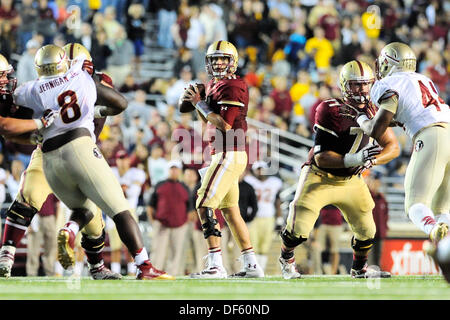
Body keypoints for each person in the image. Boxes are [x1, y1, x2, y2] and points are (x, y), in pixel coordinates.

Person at [11, 44, 173, 280]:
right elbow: (120, 103)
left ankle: (70, 229)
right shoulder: (84, 77)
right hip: (80, 148)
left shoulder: (34, 88)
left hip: (48, 159)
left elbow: (13, 106)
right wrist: (96, 110)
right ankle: (145, 266)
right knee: (119, 209)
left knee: (84, 209)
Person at [0, 44, 122, 280]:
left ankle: (96, 267)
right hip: (55, 151)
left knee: (93, 218)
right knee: (30, 195)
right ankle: (6, 255)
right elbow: (9, 126)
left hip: (73, 152)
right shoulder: (43, 89)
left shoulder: (91, 84)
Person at [279, 60, 400, 279]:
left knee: (367, 231)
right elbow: (321, 157)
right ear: (345, 85)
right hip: (320, 176)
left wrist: (370, 161)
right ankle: (286, 259)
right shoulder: (330, 108)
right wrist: (357, 158)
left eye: (365, 84)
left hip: (351, 179)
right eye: (356, 85)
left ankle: (359, 269)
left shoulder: (375, 109)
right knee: (298, 231)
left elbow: (392, 147)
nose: (362, 90)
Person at [348, 42, 449, 243]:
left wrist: (359, 117)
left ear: (388, 62)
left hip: (432, 136)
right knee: (441, 209)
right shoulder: (423, 79)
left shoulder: (388, 84)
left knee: (414, 204)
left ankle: (432, 229)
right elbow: (404, 114)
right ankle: (445, 254)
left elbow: (377, 130)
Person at [182, 40, 264, 278]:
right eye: (214, 59)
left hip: (230, 151)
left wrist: (199, 102)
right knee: (230, 211)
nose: (218, 63)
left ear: (233, 62)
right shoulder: (214, 84)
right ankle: (251, 265)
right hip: (223, 152)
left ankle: (216, 264)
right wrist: (199, 104)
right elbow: (207, 121)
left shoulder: (232, 85)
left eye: (223, 59)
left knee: (203, 202)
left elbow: (225, 125)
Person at [147, 159, 193, 276]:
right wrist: (153, 221)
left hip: (180, 225)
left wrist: (186, 222)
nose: (174, 171)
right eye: (172, 168)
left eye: (176, 169)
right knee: (158, 251)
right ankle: (156, 273)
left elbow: (190, 208)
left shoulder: (184, 187)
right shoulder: (160, 184)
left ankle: (175, 274)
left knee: (177, 253)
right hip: (162, 224)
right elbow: (151, 205)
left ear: (180, 171)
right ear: (168, 170)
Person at [109, 149, 146, 276]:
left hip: (130, 210)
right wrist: (124, 187)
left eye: (124, 158)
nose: (122, 162)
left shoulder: (137, 172)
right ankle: (115, 271)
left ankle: (131, 271)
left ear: (129, 160)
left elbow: (133, 192)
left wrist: (120, 188)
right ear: (117, 160)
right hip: (113, 209)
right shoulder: (111, 171)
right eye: (120, 159)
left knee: (131, 244)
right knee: (115, 246)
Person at [244, 161, 283, 272]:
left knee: (265, 247)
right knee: (253, 245)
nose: (260, 171)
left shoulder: (274, 182)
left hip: (269, 217)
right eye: (258, 169)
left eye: (262, 169)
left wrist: (279, 219)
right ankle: (255, 269)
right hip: (253, 217)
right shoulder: (249, 181)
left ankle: (261, 269)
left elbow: (277, 201)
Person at [25, 194, 59, 276]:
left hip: (50, 218)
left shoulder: (51, 184)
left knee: (51, 247)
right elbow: (26, 204)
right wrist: (28, 222)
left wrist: (55, 221)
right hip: (35, 217)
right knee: (33, 248)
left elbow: (57, 204)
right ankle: (31, 273)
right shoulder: (33, 183)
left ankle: (50, 272)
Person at [365, 170, 389, 267]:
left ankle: (377, 277)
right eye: (373, 180)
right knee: (369, 259)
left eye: (377, 181)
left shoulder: (381, 198)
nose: (375, 183)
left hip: (379, 233)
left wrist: (385, 229)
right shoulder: (366, 196)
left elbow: (386, 216)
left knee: (378, 259)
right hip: (368, 234)